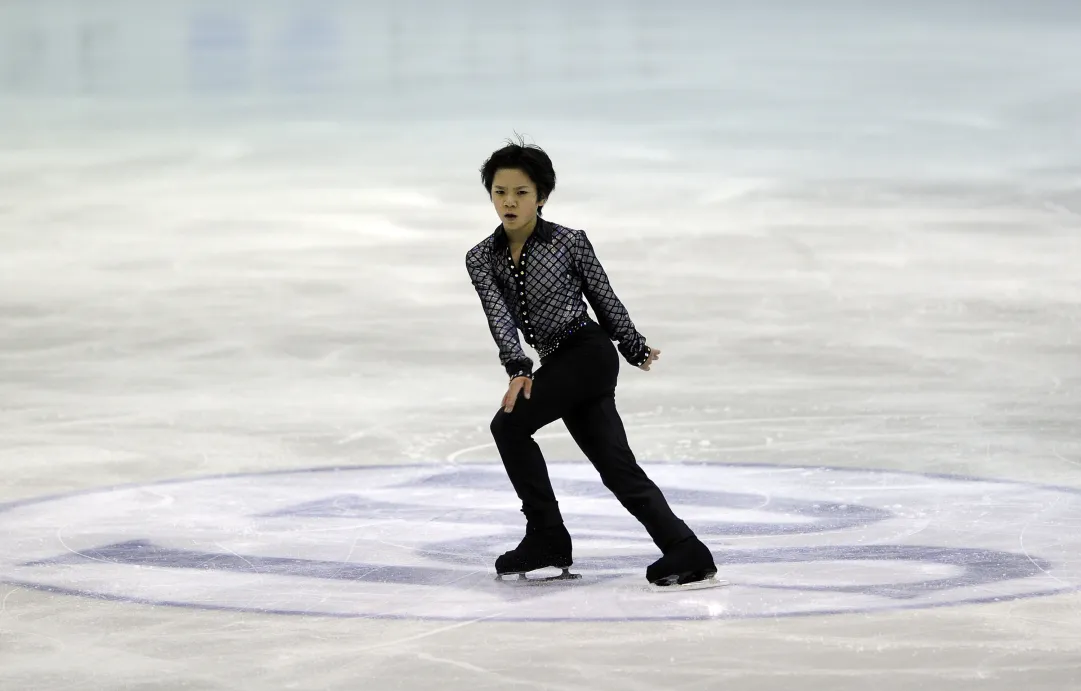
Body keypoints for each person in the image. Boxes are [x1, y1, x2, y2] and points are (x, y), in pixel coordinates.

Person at [464, 137, 718, 588]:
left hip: (588, 353)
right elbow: (498, 317)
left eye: (521, 193)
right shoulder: (482, 258)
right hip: (556, 363)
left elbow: (603, 297)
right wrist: (518, 367)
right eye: (500, 192)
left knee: (509, 426)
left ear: (541, 197)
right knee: (615, 465)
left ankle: (546, 535)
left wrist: (633, 345)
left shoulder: (568, 243)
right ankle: (684, 547)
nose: (509, 201)